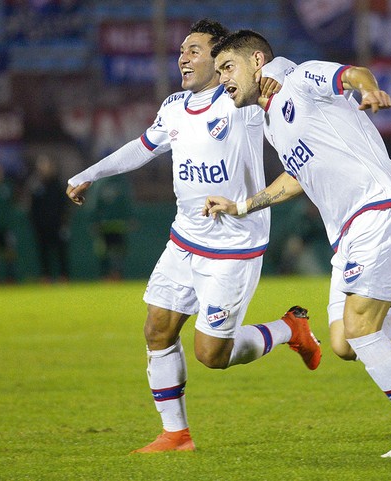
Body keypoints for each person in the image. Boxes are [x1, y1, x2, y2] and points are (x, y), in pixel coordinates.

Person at [205, 30, 391, 457]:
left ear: (256, 61)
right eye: (217, 73)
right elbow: (296, 176)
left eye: (227, 68)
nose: (222, 80)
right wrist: (244, 205)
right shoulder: (271, 122)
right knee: (346, 342)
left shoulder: (301, 77)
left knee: (362, 329)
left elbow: (353, 74)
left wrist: (370, 90)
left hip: (379, 207)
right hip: (345, 232)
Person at [65, 19, 322, 453]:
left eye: (195, 50)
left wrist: (277, 70)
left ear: (223, 59)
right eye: (182, 50)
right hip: (184, 238)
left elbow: (280, 66)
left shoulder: (241, 98)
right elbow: (142, 147)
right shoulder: (174, 106)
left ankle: (289, 329)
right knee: (157, 330)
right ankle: (176, 435)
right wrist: (89, 173)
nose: (183, 57)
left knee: (211, 354)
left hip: (235, 244)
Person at [26, 155, 70, 282]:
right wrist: (35, 223)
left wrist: (64, 221)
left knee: (61, 252)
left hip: (57, 224)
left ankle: (64, 277)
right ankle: (46, 277)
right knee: (43, 252)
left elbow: (64, 205)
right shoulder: (35, 185)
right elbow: (32, 207)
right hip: (41, 225)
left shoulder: (58, 184)